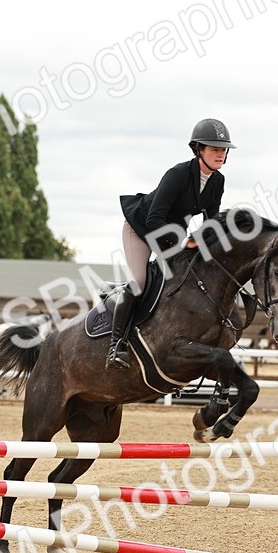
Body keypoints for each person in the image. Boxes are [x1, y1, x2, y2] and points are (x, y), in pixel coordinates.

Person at [107, 118, 235, 369]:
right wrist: (184, 242)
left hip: (173, 233)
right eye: (214, 149)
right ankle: (115, 345)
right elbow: (155, 218)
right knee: (140, 283)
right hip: (141, 228)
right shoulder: (177, 174)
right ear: (199, 149)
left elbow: (210, 221)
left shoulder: (217, 181)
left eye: (223, 150)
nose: (220, 154)